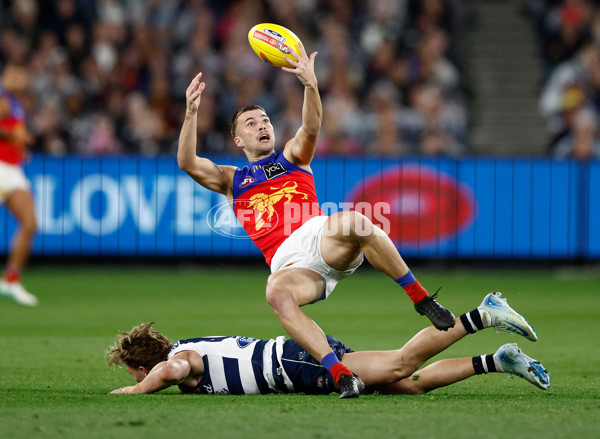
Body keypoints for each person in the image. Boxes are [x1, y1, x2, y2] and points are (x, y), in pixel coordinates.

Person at [177, 43, 456, 398]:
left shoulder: (292, 156)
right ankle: (341, 374)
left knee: (355, 220)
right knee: (274, 290)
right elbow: (187, 162)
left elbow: (311, 127)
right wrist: (190, 113)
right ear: (238, 139)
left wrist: (310, 85)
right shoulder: (232, 179)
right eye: (251, 123)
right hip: (292, 266)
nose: (262, 125)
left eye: (265, 119)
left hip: (322, 239)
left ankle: (420, 298)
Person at [107, 292, 549, 396]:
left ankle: (484, 313)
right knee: (409, 385)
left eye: (133, 371)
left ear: (142, 365)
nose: (136, 377)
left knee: (397, 364)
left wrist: (136, 391)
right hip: (298, 359)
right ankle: (498, 360)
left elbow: (173, 371)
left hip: (297, 363)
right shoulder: (184, 346)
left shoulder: (178, 359)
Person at [0, 64, 38, 307]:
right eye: (14, 74)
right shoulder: (3, 99)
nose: (19, 78)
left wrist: (20, 148)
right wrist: (16, 137)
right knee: (29, 223)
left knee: (30, 223)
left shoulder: (14, 102)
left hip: (12, 168)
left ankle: (11, 280)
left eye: (21, 74)